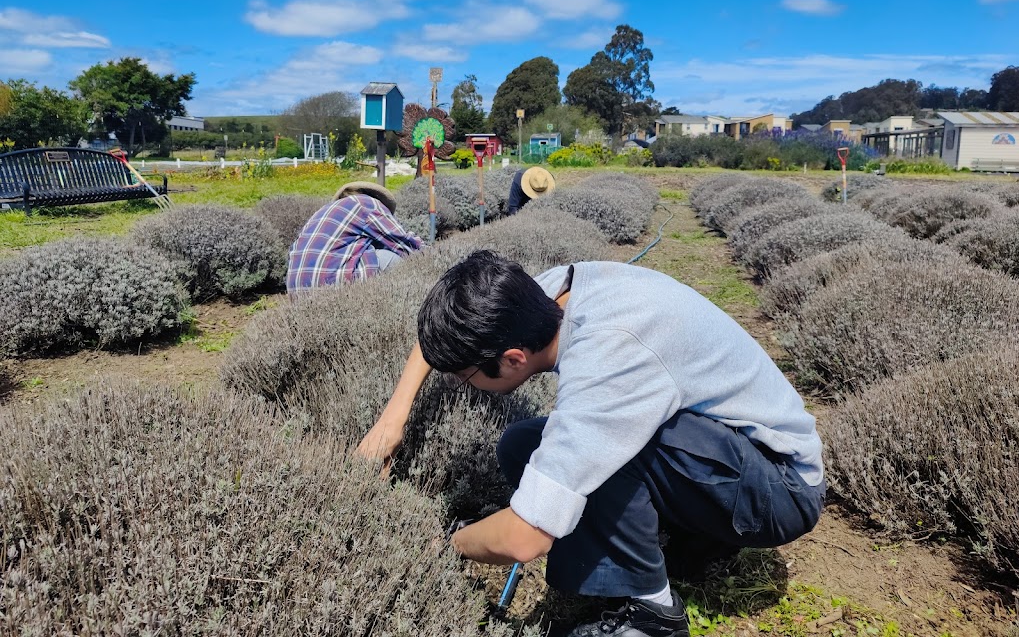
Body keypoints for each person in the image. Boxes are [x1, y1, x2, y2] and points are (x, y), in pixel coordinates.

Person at [357, 251, 825, 637]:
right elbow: (440, 340)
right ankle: (682, 542)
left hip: (779, 491)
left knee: (606, 446)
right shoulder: (544, 296)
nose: (463, 385)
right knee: (524, 443)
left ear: (514, 359)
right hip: (726, 459)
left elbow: (525, 538)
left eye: (466, 377)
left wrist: (447, 543)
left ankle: (653, 614)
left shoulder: (607, 359)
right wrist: (393, 419)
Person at [286, 181, 422, 293]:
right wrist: (431, 258)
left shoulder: (322, 212)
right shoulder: (366, 203)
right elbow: (403, 243)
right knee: (394, 259)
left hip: (296, 292)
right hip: (332, 287)